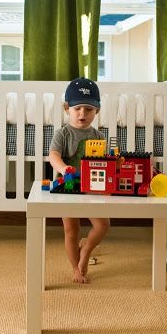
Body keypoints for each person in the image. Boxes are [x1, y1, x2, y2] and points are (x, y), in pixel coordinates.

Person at [49, 77, 109, 284]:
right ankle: (75, 268)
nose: (82, 113)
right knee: (71, 230)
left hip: (92, 188)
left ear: (97, 111)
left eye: (88, 109)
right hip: (69, 187)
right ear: (67, 109)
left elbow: (105, 162)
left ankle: (86, 251)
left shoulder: (99, 136)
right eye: (77, 109)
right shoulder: (62, 134)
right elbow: (53, 156)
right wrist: (64, 168)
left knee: (102, 225)